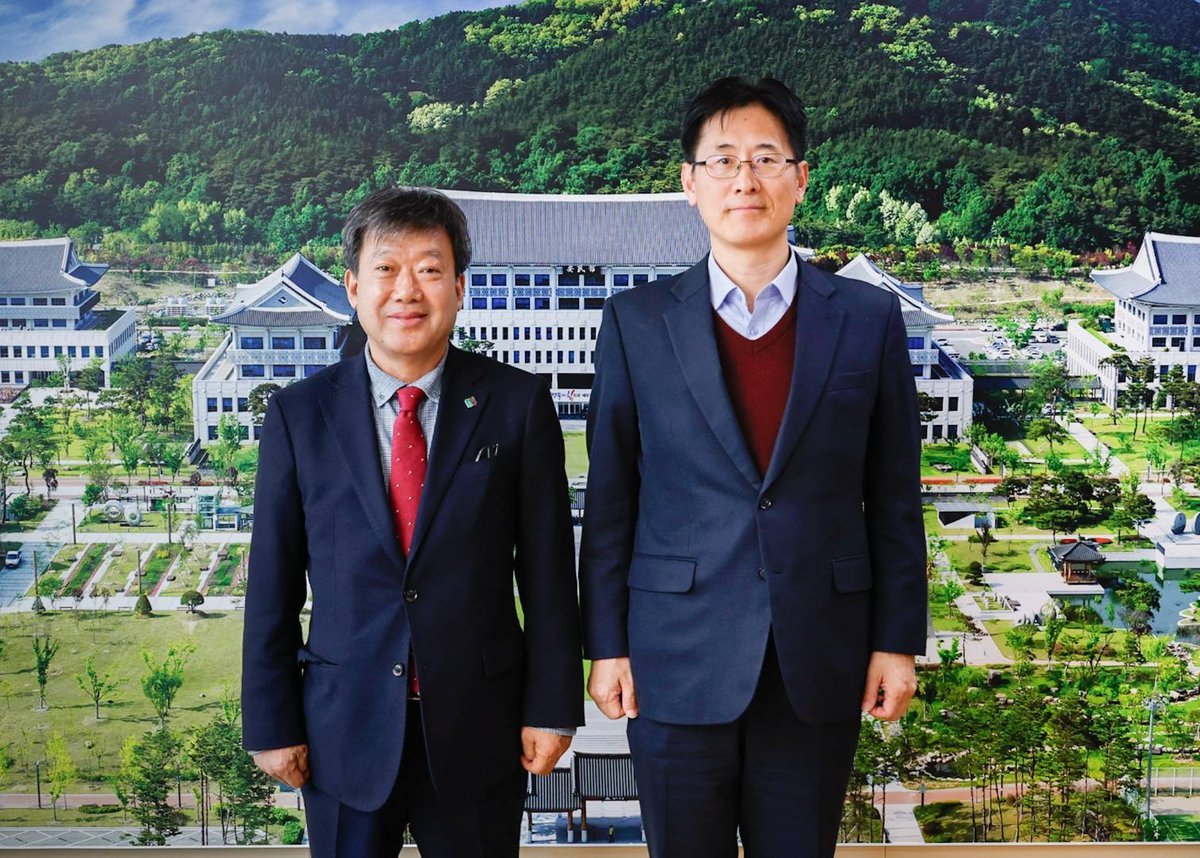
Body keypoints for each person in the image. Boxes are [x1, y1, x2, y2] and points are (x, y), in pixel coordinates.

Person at [579, 76, 927, 858]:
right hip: (674, 657)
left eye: (767, 158)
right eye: (724, 160)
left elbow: (894, 498)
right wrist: (606, 645)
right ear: (690, 183)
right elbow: (611, 500)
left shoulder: (866, 318)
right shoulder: (637, 322)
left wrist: (897, 641)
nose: (745, 179)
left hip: (819, 656)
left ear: (800, 179)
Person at [242, 186, 585, 858]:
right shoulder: (298, 415)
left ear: (458, 288)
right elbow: (272, 584)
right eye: (386, 269)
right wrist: (270, 721)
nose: (407, 290)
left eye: (429, 270)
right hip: (342, 725)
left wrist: (552, 708)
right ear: (352, 287)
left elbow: (548, 575)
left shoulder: (516, 404)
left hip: (479, 723)